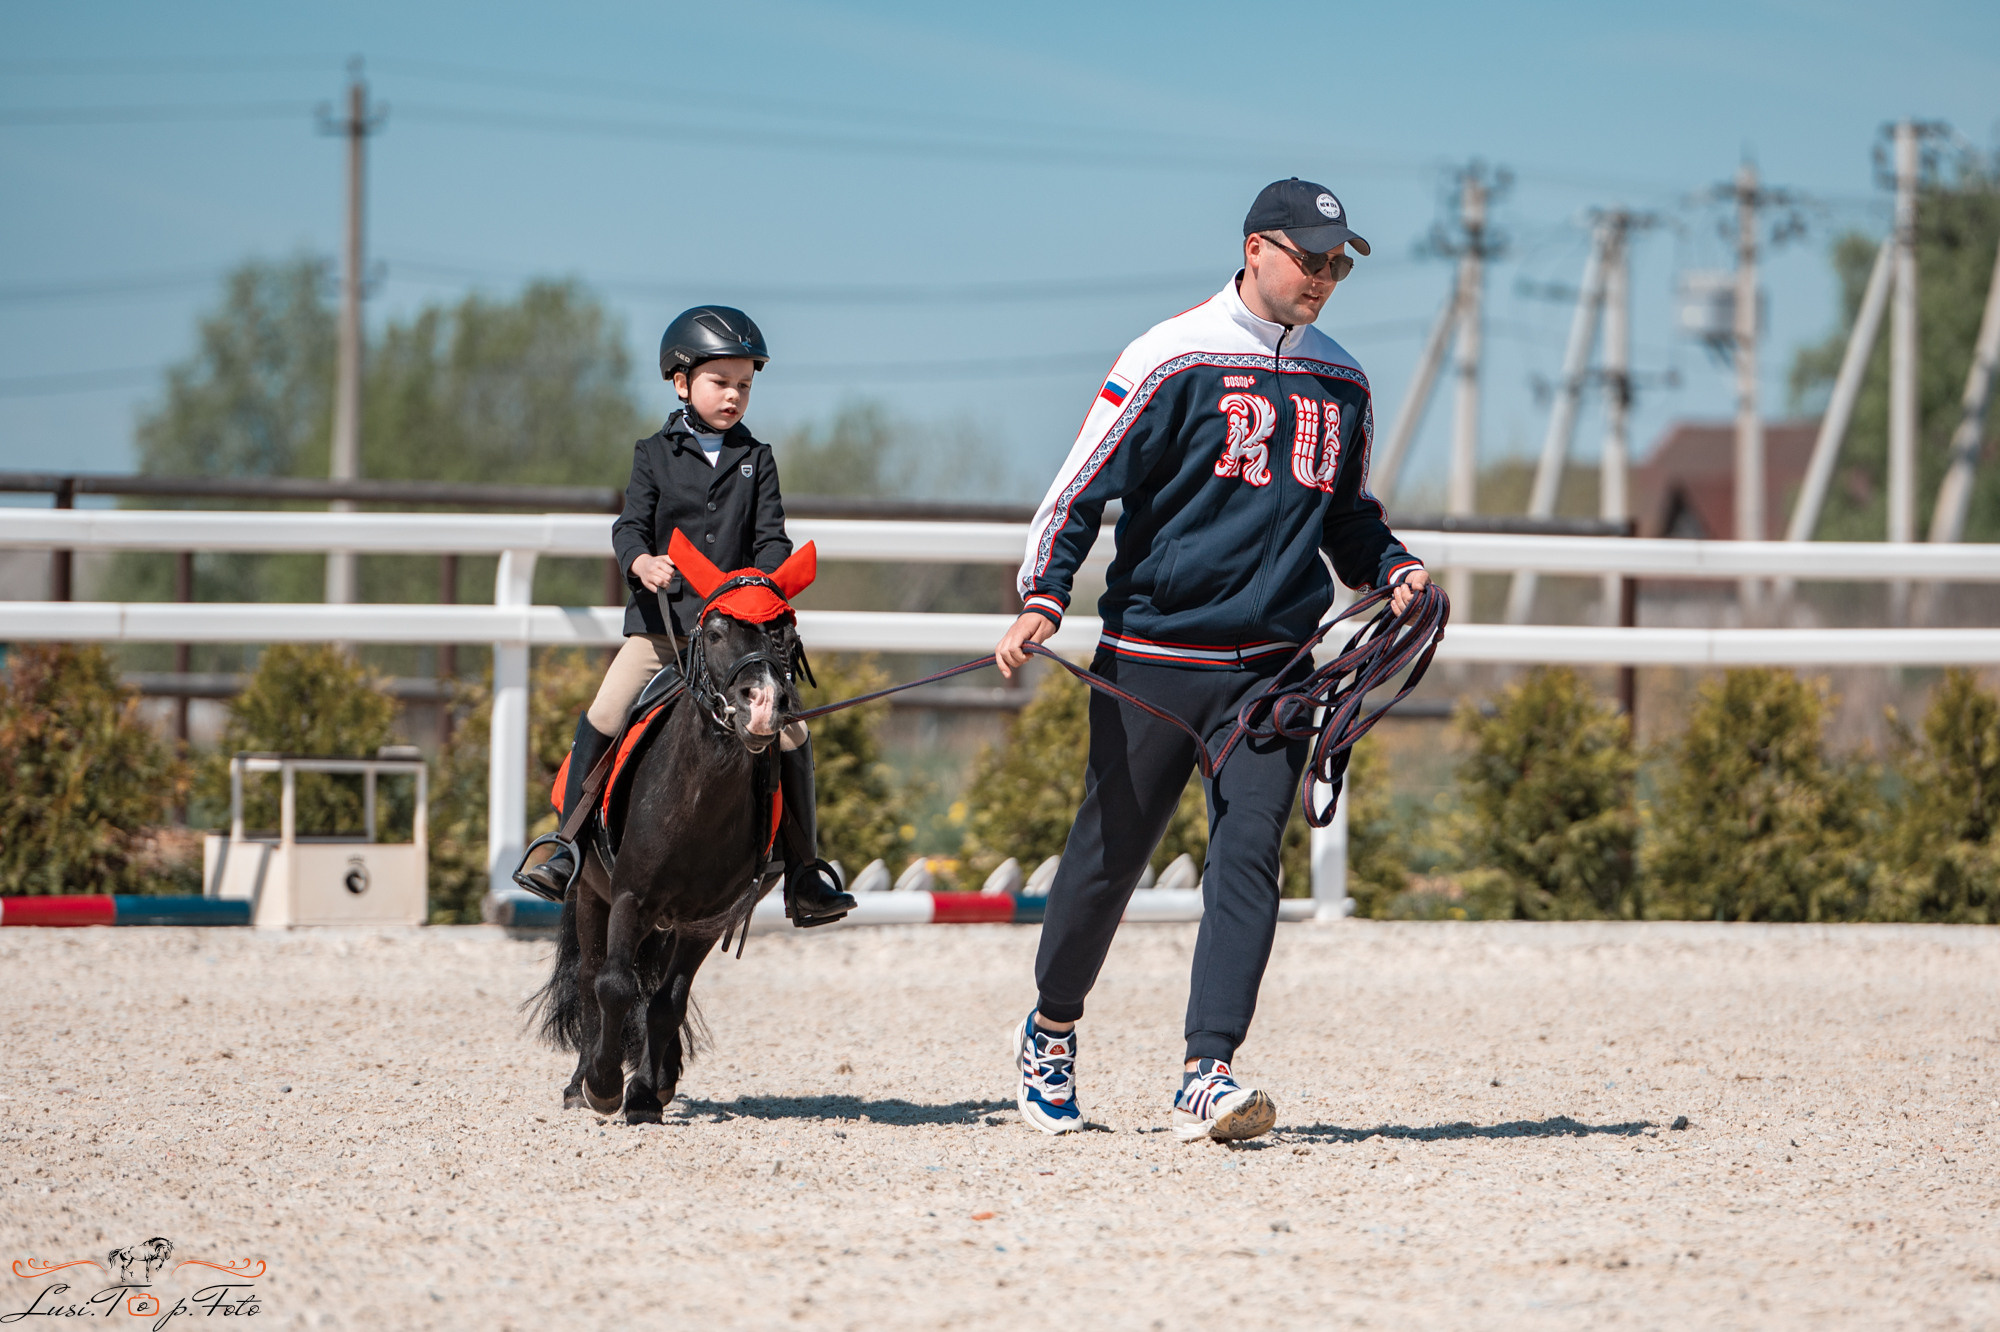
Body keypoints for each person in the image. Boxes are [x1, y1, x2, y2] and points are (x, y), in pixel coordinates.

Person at [995, 178, 1431, 1141]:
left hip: (1275, 668)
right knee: (1109, 857)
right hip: (1154, 655)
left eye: (1338, 264)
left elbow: (1348, 516)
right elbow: (1078, 490)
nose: (1324, 277)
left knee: (1248, 857)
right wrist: (1043, 596)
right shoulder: (1169, 355)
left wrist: (1393, 568)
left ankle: (1208, 1070)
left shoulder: (1345, 380)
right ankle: (1051, 1029)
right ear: (1254, 248)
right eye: (1310, 258)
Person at [516, 305, 856, 927]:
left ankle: (805, 873)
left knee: (791, 733)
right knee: (606, 712)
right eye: (720, 382)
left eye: (744, 385)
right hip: (664, 630)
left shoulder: (758, 459)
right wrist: (641, 561)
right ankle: (566, 845)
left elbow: (772, 541)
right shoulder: (652, 454)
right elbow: (629, 526)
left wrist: (760, 582)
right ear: (681, 382)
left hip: (735, 641)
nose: (734, 396)